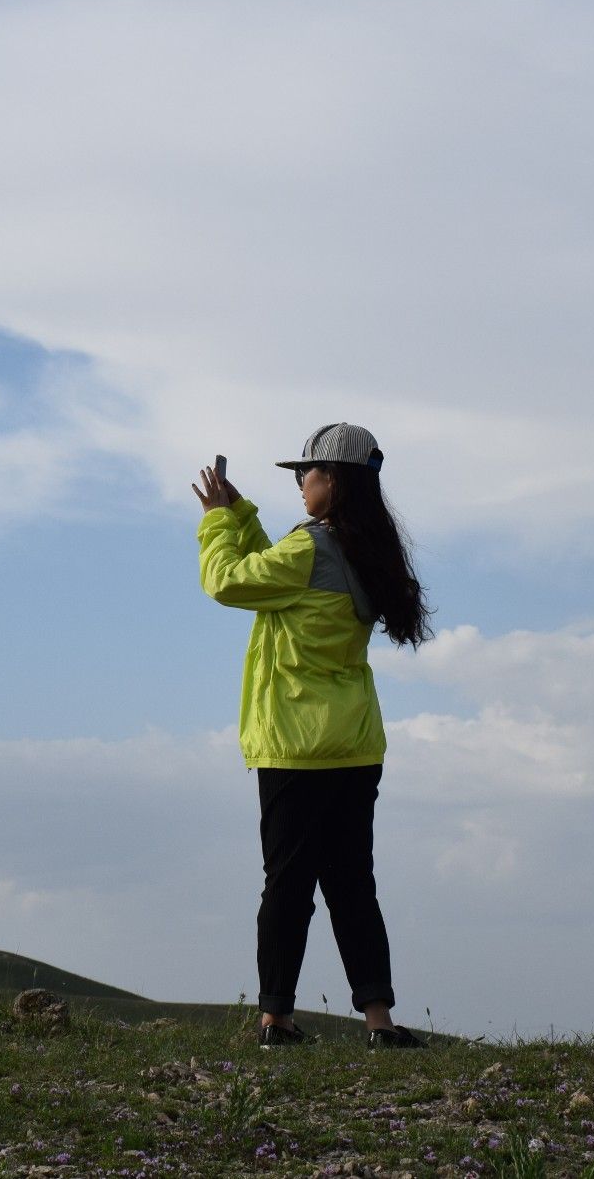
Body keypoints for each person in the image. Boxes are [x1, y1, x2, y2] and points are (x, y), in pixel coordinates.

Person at [192, 422, 434, 1050]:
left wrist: (219, 522)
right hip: (353, 745)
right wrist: (242, 512)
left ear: (336, 482)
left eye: (308, 473)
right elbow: (276, 574)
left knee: (288, 884)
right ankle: (378, 1022)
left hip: (295, 746)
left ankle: (276, 1018)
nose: (301, 483)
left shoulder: (309, 550)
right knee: (354, 884)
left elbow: (230, 581)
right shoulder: (365, 550)